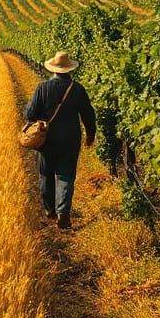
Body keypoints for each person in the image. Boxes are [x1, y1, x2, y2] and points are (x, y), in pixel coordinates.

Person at [25, 51, 96, 230]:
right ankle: (63, 212)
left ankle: (50, 210)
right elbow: (88, 114)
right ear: (69, 70)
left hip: (46, 140)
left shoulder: (42, 88)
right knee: (66, 175)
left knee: (46, 173)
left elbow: (30, 114)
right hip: (70, 139)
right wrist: (90, 135)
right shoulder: (78, 89)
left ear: (53, 70)